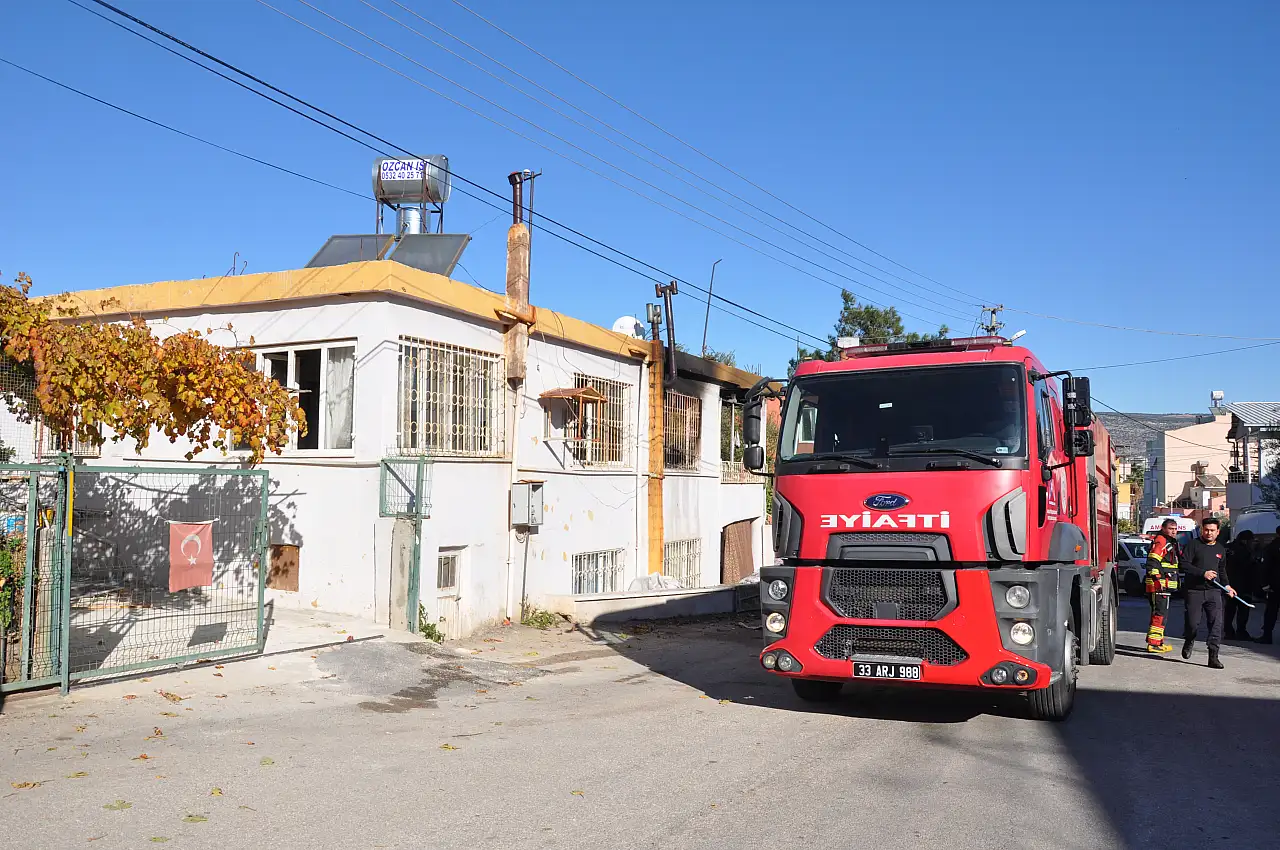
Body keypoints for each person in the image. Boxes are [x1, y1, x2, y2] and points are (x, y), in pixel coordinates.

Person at [1181, 516, 1237, 668]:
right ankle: (1189, 639)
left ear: (1218, 532)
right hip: (1194, 591)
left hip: (1214, 592)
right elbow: (1184, 564)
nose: (1209, 533)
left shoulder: (1220, 549)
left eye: (1212, 530)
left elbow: (1222, 570)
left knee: (1216, 625)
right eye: (1206, 530)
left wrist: (1227, 586)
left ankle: (1213, 657)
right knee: (1192, 624)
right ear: (1202, 530)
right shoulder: (1193, 545)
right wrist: (1202, 573)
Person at [1144, 518, 1181, 653]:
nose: (1173, 531)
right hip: (1159, 586)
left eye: (1175, 529)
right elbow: (1152, 561)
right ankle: (1154, 644)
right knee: (1159, 614)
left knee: (1161, 614)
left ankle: (1157, 641)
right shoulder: (1162, 541)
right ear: (1163, 529)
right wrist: (1158, 580)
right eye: (1170, 528)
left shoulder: (1169, 542)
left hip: (1164, 586)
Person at [1223, 530, 1256, 641]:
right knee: (1243, 610)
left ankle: (1228, 631)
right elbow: (1249, 568)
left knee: (1229, 610)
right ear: (1246, 540)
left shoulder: (1228, 548)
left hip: (1229, 584)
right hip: (1244, 585)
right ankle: (1241, 632)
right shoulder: (1246, 551)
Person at [1259, 527, 1280, 645]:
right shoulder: (1272, 547)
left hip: (1275, 585)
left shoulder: (1272, 547)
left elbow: (1265, 566)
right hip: (1275, 583)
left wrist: (1265, 584)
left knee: (1271, 611)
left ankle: (1267, 636)